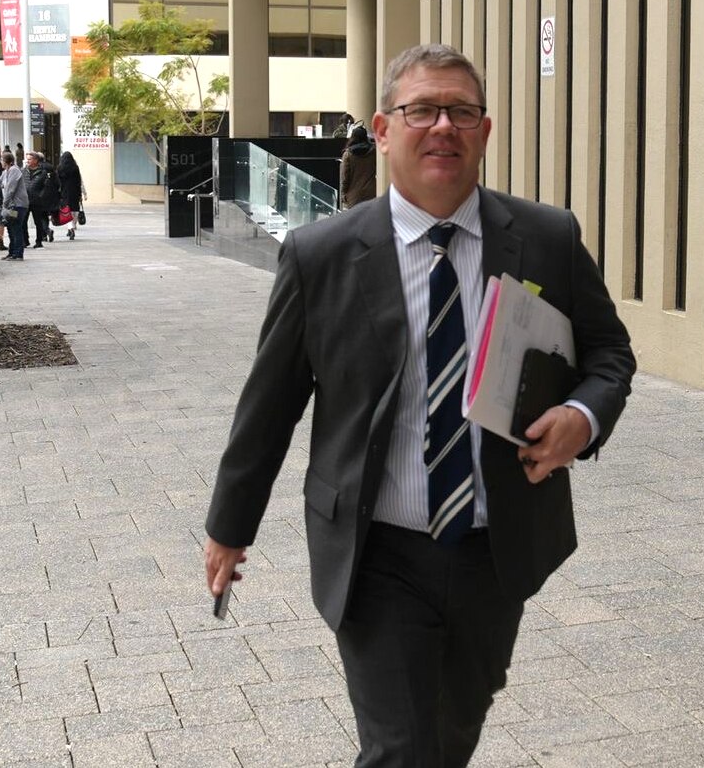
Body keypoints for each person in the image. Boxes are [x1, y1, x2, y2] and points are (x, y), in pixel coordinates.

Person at [205, 44, 635, 766]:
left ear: (485, 130)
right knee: (401, 747)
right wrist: (229, 526)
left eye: (461, 112)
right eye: (421, 111)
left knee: (451, 731)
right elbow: (270, 404)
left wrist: (582, 417)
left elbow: (608, 355)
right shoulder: (322, 254)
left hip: (494, 548)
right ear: (381, 128)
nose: (443, 127)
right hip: (377, 550)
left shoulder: (545, 237)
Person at [24, 151, 60, 247]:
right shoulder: (24, 171)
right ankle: (25, 240)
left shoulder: (43, 172)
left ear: (36, 160)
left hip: (37, 200)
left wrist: (41, 195)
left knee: (38, 222)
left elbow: (47, 186)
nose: (27, 161)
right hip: (25, 200)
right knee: (23, 221)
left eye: (29, 159)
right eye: (27, 159)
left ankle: (38, 241)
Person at [339, 125, 377, 209]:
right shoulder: (374, 152)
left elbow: (344, 177)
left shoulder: (348, 155)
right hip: (371, 193)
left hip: (354, 196)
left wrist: (343, 193)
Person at [56, 151, 86, 240]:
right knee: (74, 210)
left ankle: (70, 228)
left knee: (66, 211)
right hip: (74, 192)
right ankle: (73, 226)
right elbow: (78, 181)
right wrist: (80, 193)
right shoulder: (75, 168)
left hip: (64, 192)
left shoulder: (60, 168)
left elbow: (58, 181)